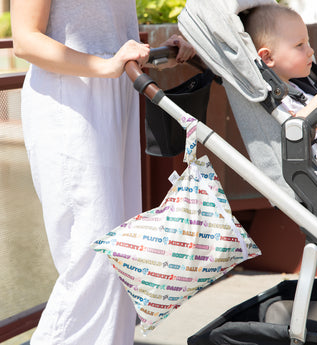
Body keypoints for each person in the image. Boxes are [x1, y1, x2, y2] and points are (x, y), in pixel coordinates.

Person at [10, 1, 195, 345]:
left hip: (116, 92)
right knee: (94, 261)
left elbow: (108, 30)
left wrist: (158, 51)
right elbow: (24, 39)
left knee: (121, 256)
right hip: (72, 102)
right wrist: (106, 64)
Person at [243, 3, 317, 169]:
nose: (311, 51)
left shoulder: (296, 89)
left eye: (308, 42)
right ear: (268, 57)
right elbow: (298, 126)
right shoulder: (275, 97)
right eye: (300, 45)